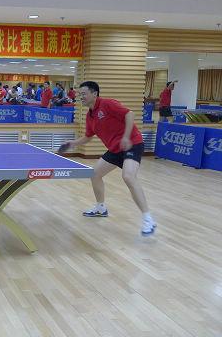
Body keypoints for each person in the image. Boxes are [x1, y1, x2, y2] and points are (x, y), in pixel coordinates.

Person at [63, 81, 156, 236]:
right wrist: (72, 143)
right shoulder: (89, 116)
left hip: (132, 144)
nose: (81, 97)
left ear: (94, 94)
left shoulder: (107, 104)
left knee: (128, 176)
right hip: (115, 149)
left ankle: (148, 218)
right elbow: (88, 137)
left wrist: (126, 137)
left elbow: (129, 114)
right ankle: (101, 208)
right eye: (79, 94)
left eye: (84, 94)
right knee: (94, 173)